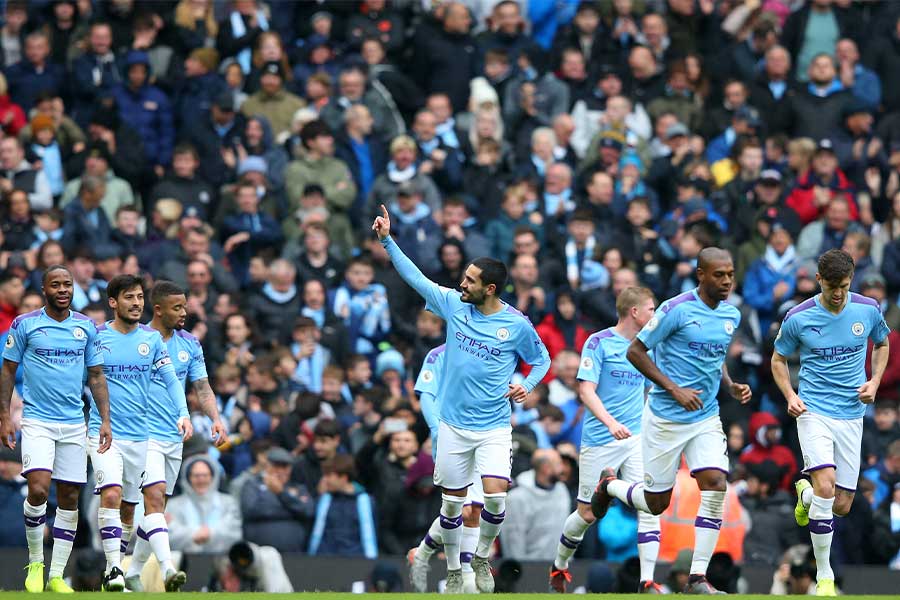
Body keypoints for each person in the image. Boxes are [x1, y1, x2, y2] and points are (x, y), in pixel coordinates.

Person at [372, 204, 551, 593]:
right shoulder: (454, 304)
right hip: (453, 425)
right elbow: (416, 278)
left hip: (494, 427)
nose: (462, 284)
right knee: (453, 507)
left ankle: (482, 557)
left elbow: (542, 359)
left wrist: (528, 384)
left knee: (495, 499)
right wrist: (387, 241)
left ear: (490, 289)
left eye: (470, 280)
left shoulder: (516, 325)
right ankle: (455, 570)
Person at [591, 247, 752, 595]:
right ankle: (610, 486)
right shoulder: (675, 309)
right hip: (665, 417)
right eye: (719, 275)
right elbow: (635, 351)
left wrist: (729, 384)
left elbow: (715, 356)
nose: (726, 281)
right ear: (701, 275)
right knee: (656, 503)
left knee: (716, 484)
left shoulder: (732, 314)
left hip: (705, 415)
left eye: (730, 274)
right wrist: (673, 388)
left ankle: (697, 577)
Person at [771, 249, 890, 597]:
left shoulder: (867, 309)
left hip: (852, 414)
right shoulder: (798, 317)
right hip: (813, 411)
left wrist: (875, 381)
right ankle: (825, 577)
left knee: (840, 505)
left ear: (851, 280)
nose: (838, 293)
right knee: (827, 487)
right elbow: (778, 359)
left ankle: (804, 494)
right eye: (831, 286)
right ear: (819, 280)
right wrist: (790, 395)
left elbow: (882, 344)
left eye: (844, 286)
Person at [0, 265, 111, 593]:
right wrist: (4, 416)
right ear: (44, 289)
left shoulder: (86, 327)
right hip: (37, 421)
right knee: (37, 489)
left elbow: (97, 376)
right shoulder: (25, 324)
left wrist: (105, 419)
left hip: (74, 423)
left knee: (69, 497)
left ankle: (57, 574)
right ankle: (36, 562)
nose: (63, 290)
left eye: (67, 284)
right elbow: (7, 370)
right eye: (56, 284)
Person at [550, 286, 663, 593]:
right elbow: (585, 390)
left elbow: (652, 391)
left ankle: (647, 581)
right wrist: (611, 423)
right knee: (587, 514)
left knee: (650, 504)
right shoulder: (598, 342)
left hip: (635, 438)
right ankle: (559, 565)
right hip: (601, 438)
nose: (655, 315)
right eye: (651, 309)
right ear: (634, 312)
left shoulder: (648, 347)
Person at [87, 274, 191, 592]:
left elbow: (171, 379)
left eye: (140, 297)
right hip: (104, 433)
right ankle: (114, 570)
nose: (136, 303)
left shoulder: (152, 340)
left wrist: (183, 413)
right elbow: (81, 376)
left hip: (140, 435)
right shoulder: (97, 336)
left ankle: (120, 570)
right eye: (129, 297)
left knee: (130, 508)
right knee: (112, 494)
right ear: (113, 302)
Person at [124, 281, 227, 590]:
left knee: (156, 510)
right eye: (177, 308)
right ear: (158, 310)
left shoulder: (190, 344)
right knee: (154, 499)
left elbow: (202, 387)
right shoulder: (135, 339)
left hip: (174, 435)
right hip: (143, 434)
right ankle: (168, 569)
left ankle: (133, 571)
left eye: (185, 306)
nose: (184, 313)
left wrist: (216, 419)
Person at [408, 343, 484, 594]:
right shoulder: (439, 354)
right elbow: (426, 395)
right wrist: (436, 429)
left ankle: (425, 554)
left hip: (484, 434)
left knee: (475, 511)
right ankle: (462, 570)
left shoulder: (488, 350)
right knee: (461, 508)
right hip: (451, 437)